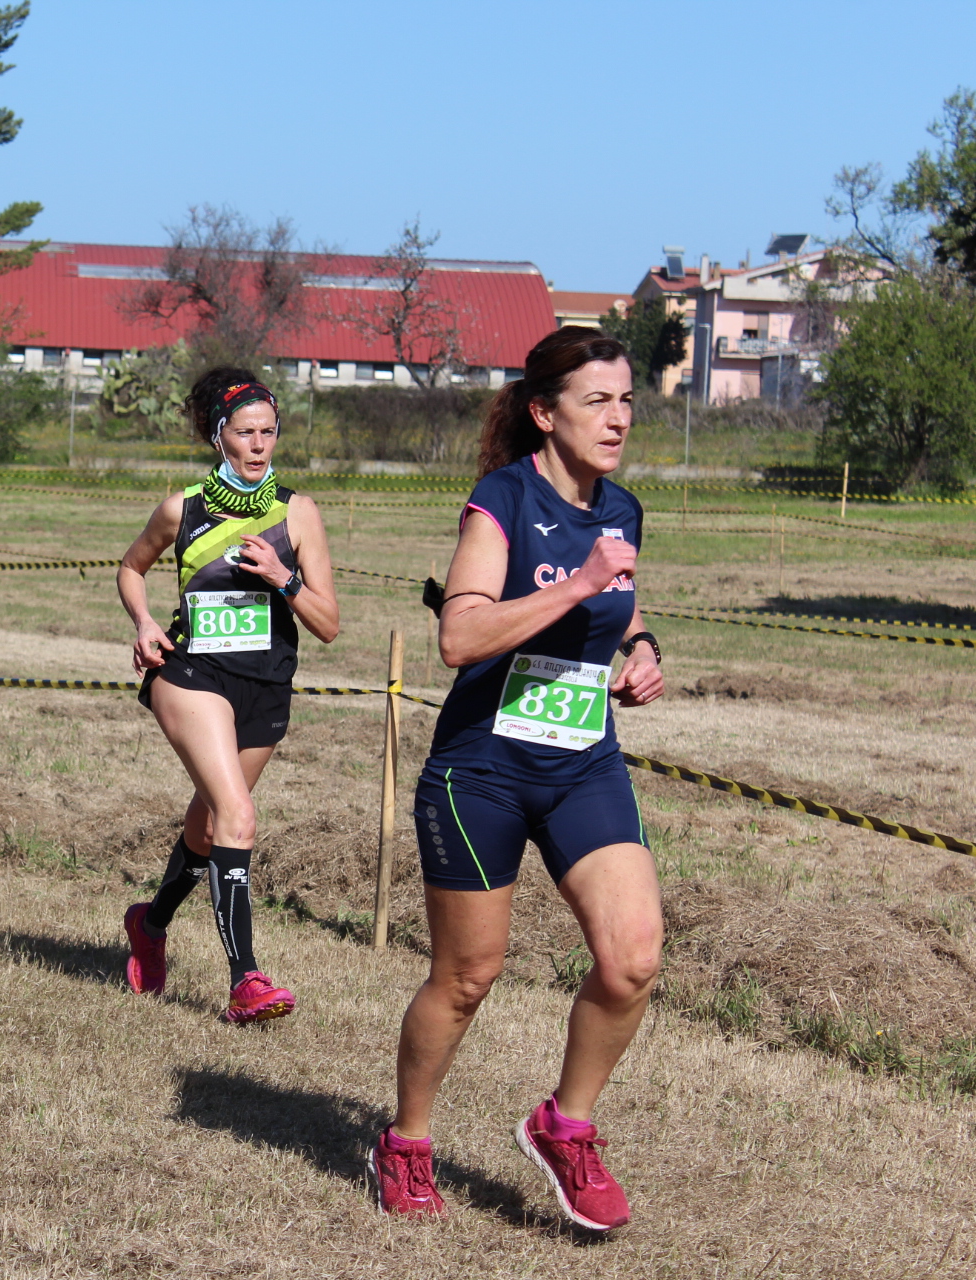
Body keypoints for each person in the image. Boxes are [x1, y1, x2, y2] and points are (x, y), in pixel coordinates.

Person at [368, 328, 664, 1229]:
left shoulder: (624, 509)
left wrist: (641, 649)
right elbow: (460, 637)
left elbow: (620, 603)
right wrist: (576, 585)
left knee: (632, 959)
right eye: (596, 401)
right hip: (482, 774)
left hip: (583, 765)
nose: (617, 419)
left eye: (626, 401)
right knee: (467, 976)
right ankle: (406, 1142)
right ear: (544, 412)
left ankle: (564, 1127)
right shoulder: (501, 500)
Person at [115, 368, 339, 1023]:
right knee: (237, 814)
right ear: (219, 436)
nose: (259, 445)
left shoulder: (298, 513)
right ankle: (246, 981)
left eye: (269, 432)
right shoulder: (181, 508)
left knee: (210, 827)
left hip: (266, 685)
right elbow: (131, 567)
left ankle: (150, 923)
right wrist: (145, 623)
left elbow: (328, 624)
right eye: (245, 433)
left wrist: (284, 577)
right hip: (191, 674)